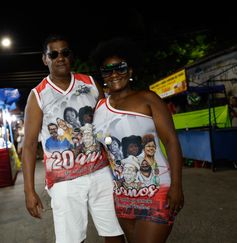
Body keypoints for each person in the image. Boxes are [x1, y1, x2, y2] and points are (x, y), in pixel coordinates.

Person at [22, 34, 124, 243]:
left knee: (114, 232)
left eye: (65, 52)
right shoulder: (38, 95)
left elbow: (107, 126)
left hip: (100, 172)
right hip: (63, 180)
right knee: (72, 239)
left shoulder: (90, 83)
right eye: (54, 54)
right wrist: (29, 191)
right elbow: (30, 145)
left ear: (71, 56)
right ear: (45, 59)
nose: (60, 58)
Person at [92, 37, 184, 243]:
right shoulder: (98, 108)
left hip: (156, 191)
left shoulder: (148, 99)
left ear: (131, 70)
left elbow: (171, 142)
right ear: (103, 75)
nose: (114, 74)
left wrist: (177, 186)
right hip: (122, 197)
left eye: (120, 68)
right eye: (108, 70)